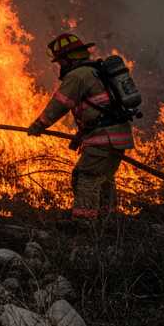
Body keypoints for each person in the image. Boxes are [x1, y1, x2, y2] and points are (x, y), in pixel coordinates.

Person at [27, 32, 133, 219]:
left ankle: (84, 221)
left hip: (104, 138)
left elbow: (60, 104)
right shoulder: (95, 71)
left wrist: (39, 125)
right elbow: (100, 111)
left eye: (60, 61)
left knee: (86, 177)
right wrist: (81, 135)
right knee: (103, 179)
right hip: (119, 136)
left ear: (68, 59)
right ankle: (107, 220)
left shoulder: (77, 76)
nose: (60, 66)